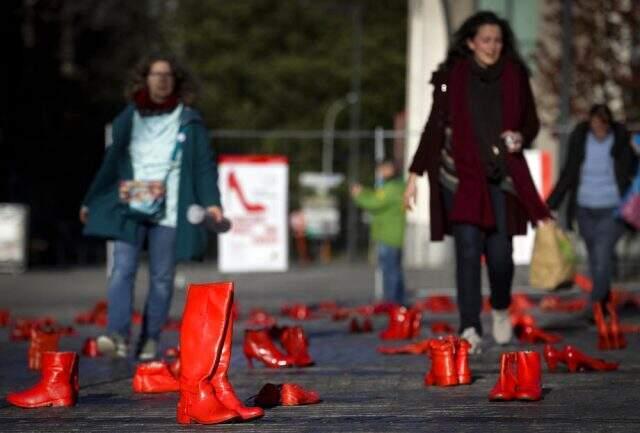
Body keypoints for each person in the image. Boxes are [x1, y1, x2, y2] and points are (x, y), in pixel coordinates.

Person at [404, 11, 550, 353]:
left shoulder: (515, 75)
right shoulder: (452, 77)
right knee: (468, 251)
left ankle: (500, 308)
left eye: (498, 40)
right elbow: (434, 126)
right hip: (460, 179)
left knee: (500, 255)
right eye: (486, 40)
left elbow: (532, 123)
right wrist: (413, 175)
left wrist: (520, 136)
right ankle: (470, 325)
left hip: (501, 179)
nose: (492, 46)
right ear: (470, 42)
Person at [80, 55, 224, 360]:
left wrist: (212, 203)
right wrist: (91, 199)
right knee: (121, 270)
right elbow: (111, 162)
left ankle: (150, 338)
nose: (162, 79)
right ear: (144, 79)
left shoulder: (190, 120)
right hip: (129, 208)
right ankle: (117, 335)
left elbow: (203, 167)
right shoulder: (128, 118)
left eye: (168, 75)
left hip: (171, 210)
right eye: (156, 74)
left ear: (176, 81)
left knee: (162, 277)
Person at [547, 104, 637, 312]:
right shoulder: (580, 140)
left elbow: (632, 170)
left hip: (612, 208)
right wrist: (549, 205)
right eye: (595, 125)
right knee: (595, 258)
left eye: (602, 125)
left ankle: (596, 304)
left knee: (602, 254)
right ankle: (603, 303)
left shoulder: (621, 141)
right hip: (585, 208)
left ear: (608, 124)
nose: (598, 130)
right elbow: (568, 173)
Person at [351, 159, 407, 305]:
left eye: (384, 169)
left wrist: (359, 195)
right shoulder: (393, 186)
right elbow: (377, 195)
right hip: (390, 235)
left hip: (389, 236)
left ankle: (393, 303)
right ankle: (397, 302)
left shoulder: (392, 188)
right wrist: (364, 191)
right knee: (393, 271)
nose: (380, 172)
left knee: (390, 272)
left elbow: (375, 203)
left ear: (392, 169)